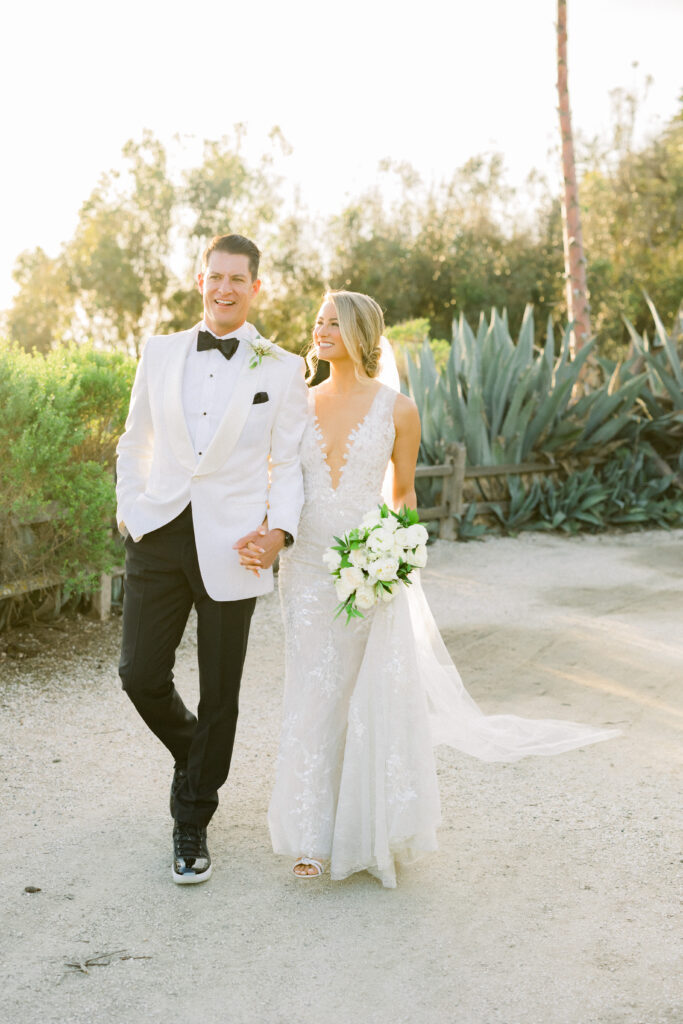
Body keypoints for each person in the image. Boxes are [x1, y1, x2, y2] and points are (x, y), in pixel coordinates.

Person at [238, 290, 619, 888]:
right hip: (308, 569)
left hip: (368, 569)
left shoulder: (400, 410)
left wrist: (397, 553)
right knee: (313, 692)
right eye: (318, 322)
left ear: (364, 334)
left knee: (366, 697)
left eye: (335, 323)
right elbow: (279, 479)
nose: (322, 331)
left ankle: (365, 831)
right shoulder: (297, 404)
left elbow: (403, 493)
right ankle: (311, 839)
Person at [116, 233, 308, 884]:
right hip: (160, 529)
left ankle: (192, 819)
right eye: (215, 276)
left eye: (238, 279)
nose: (225, 288)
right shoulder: (160, 351)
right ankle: (196, 758)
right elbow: (133, 438)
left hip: (237, 543)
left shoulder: (280, 367)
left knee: (219, 691)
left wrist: (278, 532)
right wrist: (128, 510)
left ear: (256, 289)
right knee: (139, 673)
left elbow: (289, 464)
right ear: (199, 281)